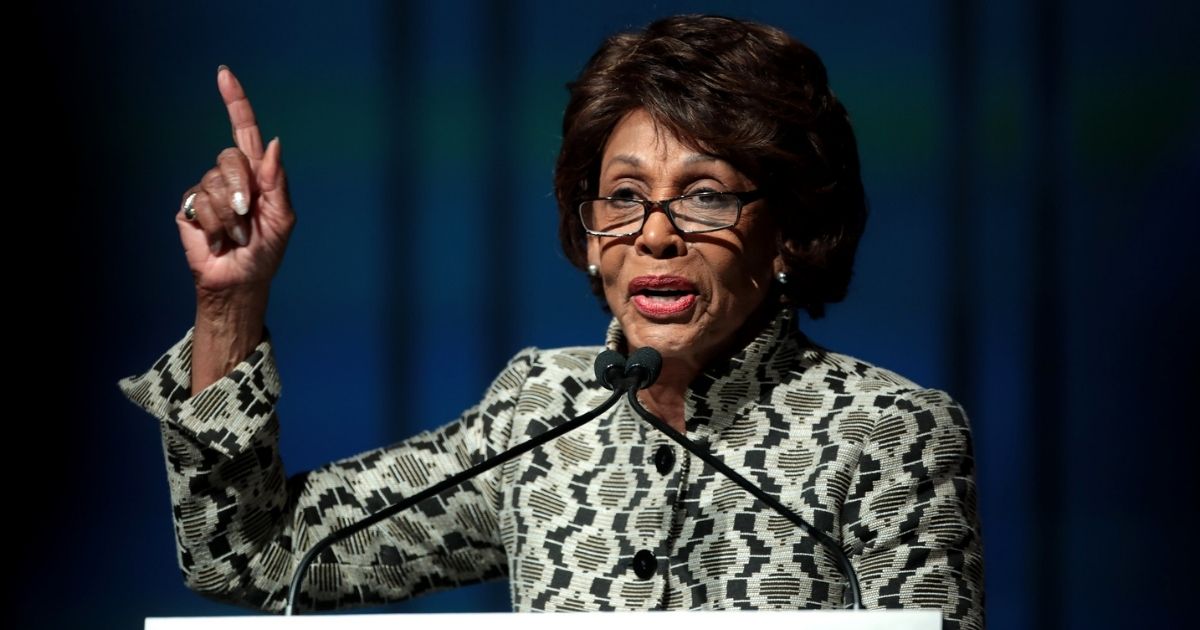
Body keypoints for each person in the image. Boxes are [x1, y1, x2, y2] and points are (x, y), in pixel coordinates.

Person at [120, 14, 984, 629]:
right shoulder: (541, 411)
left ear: (788, 229)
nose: (654, 234)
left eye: (707, 195)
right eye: (623, 198)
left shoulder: (889, 434)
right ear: (591, 232)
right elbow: (252, 556)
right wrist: (229, 303)